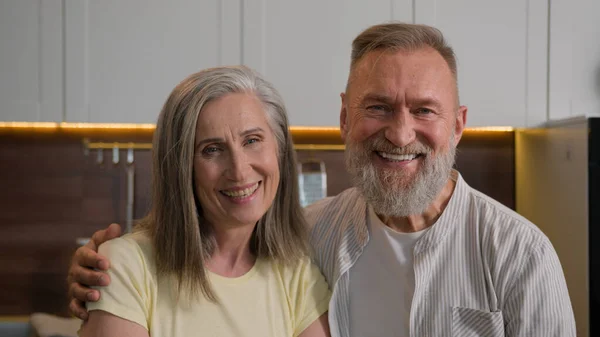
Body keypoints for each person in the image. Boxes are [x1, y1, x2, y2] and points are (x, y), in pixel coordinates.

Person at [68, 23, 576, 337]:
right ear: (344, 118)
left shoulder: (521, 255)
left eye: (424, 110)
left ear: (459, 124)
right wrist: (105, 266)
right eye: (377, 107)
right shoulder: (306, 237)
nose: (400, 134)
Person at [76, 66, 331, 337]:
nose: (239, 170)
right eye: (212, 150)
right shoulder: (126, 266)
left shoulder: (298, 274)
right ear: (181, 168)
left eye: (252, 140)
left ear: (278, 149)